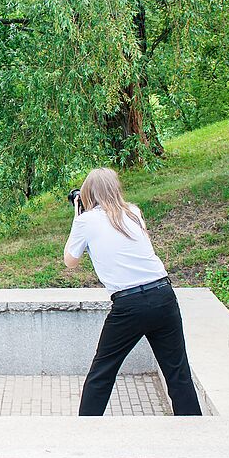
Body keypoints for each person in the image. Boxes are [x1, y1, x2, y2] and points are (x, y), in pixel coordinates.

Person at [64, 167, 201, 416]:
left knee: (102, 372)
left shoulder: (85, 221)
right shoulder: (134, 212)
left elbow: (70, 261)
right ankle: (197, 432)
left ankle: (84, 432)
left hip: (129, 305)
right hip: (163, 294)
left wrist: (77, 216)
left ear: (87, 194)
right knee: (178, 373)